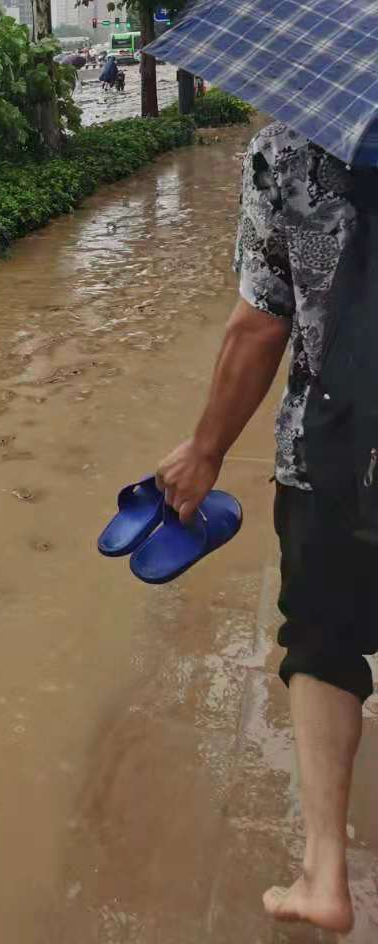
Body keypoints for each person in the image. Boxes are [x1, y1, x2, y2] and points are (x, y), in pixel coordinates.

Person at [156, 121, 373, 935]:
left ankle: (324, 874)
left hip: (334, 450)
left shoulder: (288, 148)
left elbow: (261, 325)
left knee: (320, 641)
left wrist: (205, 451)